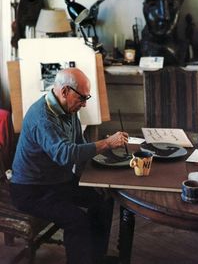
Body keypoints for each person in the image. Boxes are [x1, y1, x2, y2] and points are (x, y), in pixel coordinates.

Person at [10, 68, 129, 264]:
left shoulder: (68, 109)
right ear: (65, 91)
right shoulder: (43, 117)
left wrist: (106, 160)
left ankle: (95, 258)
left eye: (87, 98)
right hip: (30, 190)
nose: (84, 104)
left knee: (104, 200)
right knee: (76, 220)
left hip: (56, 182)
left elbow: (79, 145)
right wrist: (106, 143)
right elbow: (65, 154)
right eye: (82, 98)